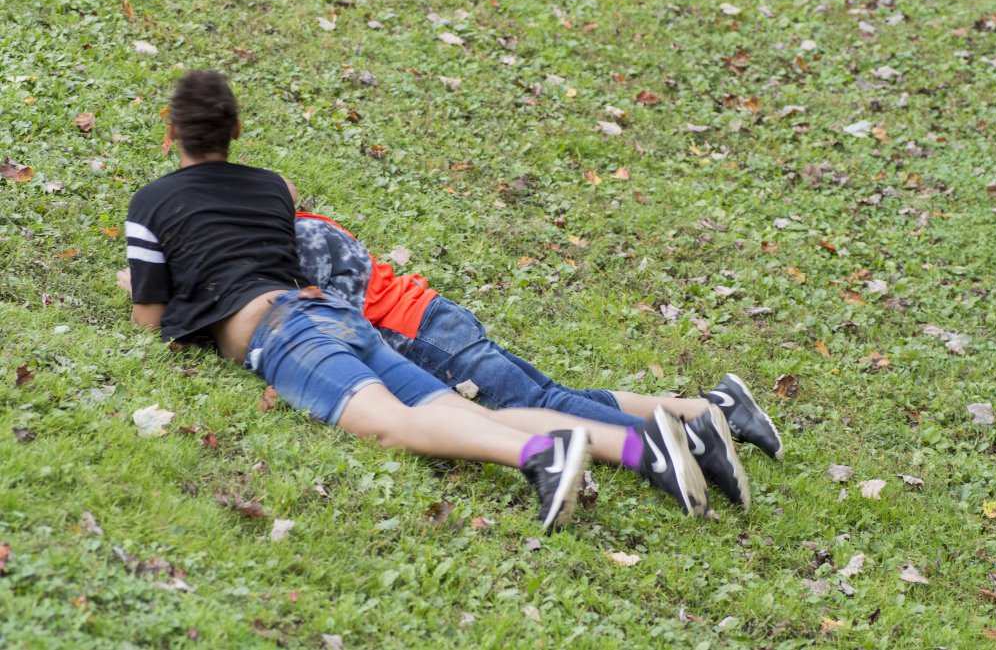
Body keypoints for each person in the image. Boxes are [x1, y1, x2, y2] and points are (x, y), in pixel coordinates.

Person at [123, 70, 749, 533]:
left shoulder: (150, 203)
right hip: (337, 315)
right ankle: (644, 448)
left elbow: (149, 319)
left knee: (394, 428)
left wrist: (148, 287)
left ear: (169, 130)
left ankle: (542, 455)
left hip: (285, 331)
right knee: (462, 412)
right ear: (236, 129)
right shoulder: (273, 188)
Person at [290, 208, 783, 462]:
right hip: (435, 318)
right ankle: (711, 410)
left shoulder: (296, 242)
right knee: (550, 397)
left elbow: (340, 323)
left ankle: (682, 448)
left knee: (539, 405)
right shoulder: (312, 224)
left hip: (421, 339)